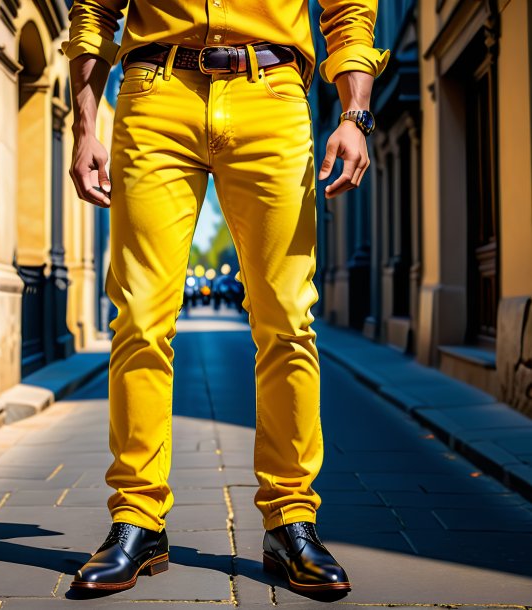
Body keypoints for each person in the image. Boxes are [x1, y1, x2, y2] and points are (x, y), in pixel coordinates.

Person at [61, 0, 389, 595]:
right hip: (154, 93)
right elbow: (93, 11)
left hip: (274, 93)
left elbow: (350, 10)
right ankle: (137, 518)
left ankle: (291, 520)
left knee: (287, 317)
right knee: (138, 315)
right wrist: (86, 122)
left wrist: (355, 114)